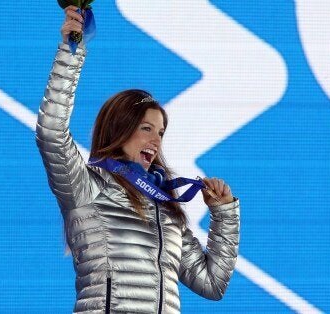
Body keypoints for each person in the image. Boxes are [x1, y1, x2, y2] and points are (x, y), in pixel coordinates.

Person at [35, 6, 240, 314]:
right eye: (146, 129)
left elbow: (212, 284)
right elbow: (51, 131)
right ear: (120, 129)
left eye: (160, 132)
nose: (156, 141)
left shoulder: (166, 208)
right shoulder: (86, 186)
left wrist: (224, 215)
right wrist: (71, 51)